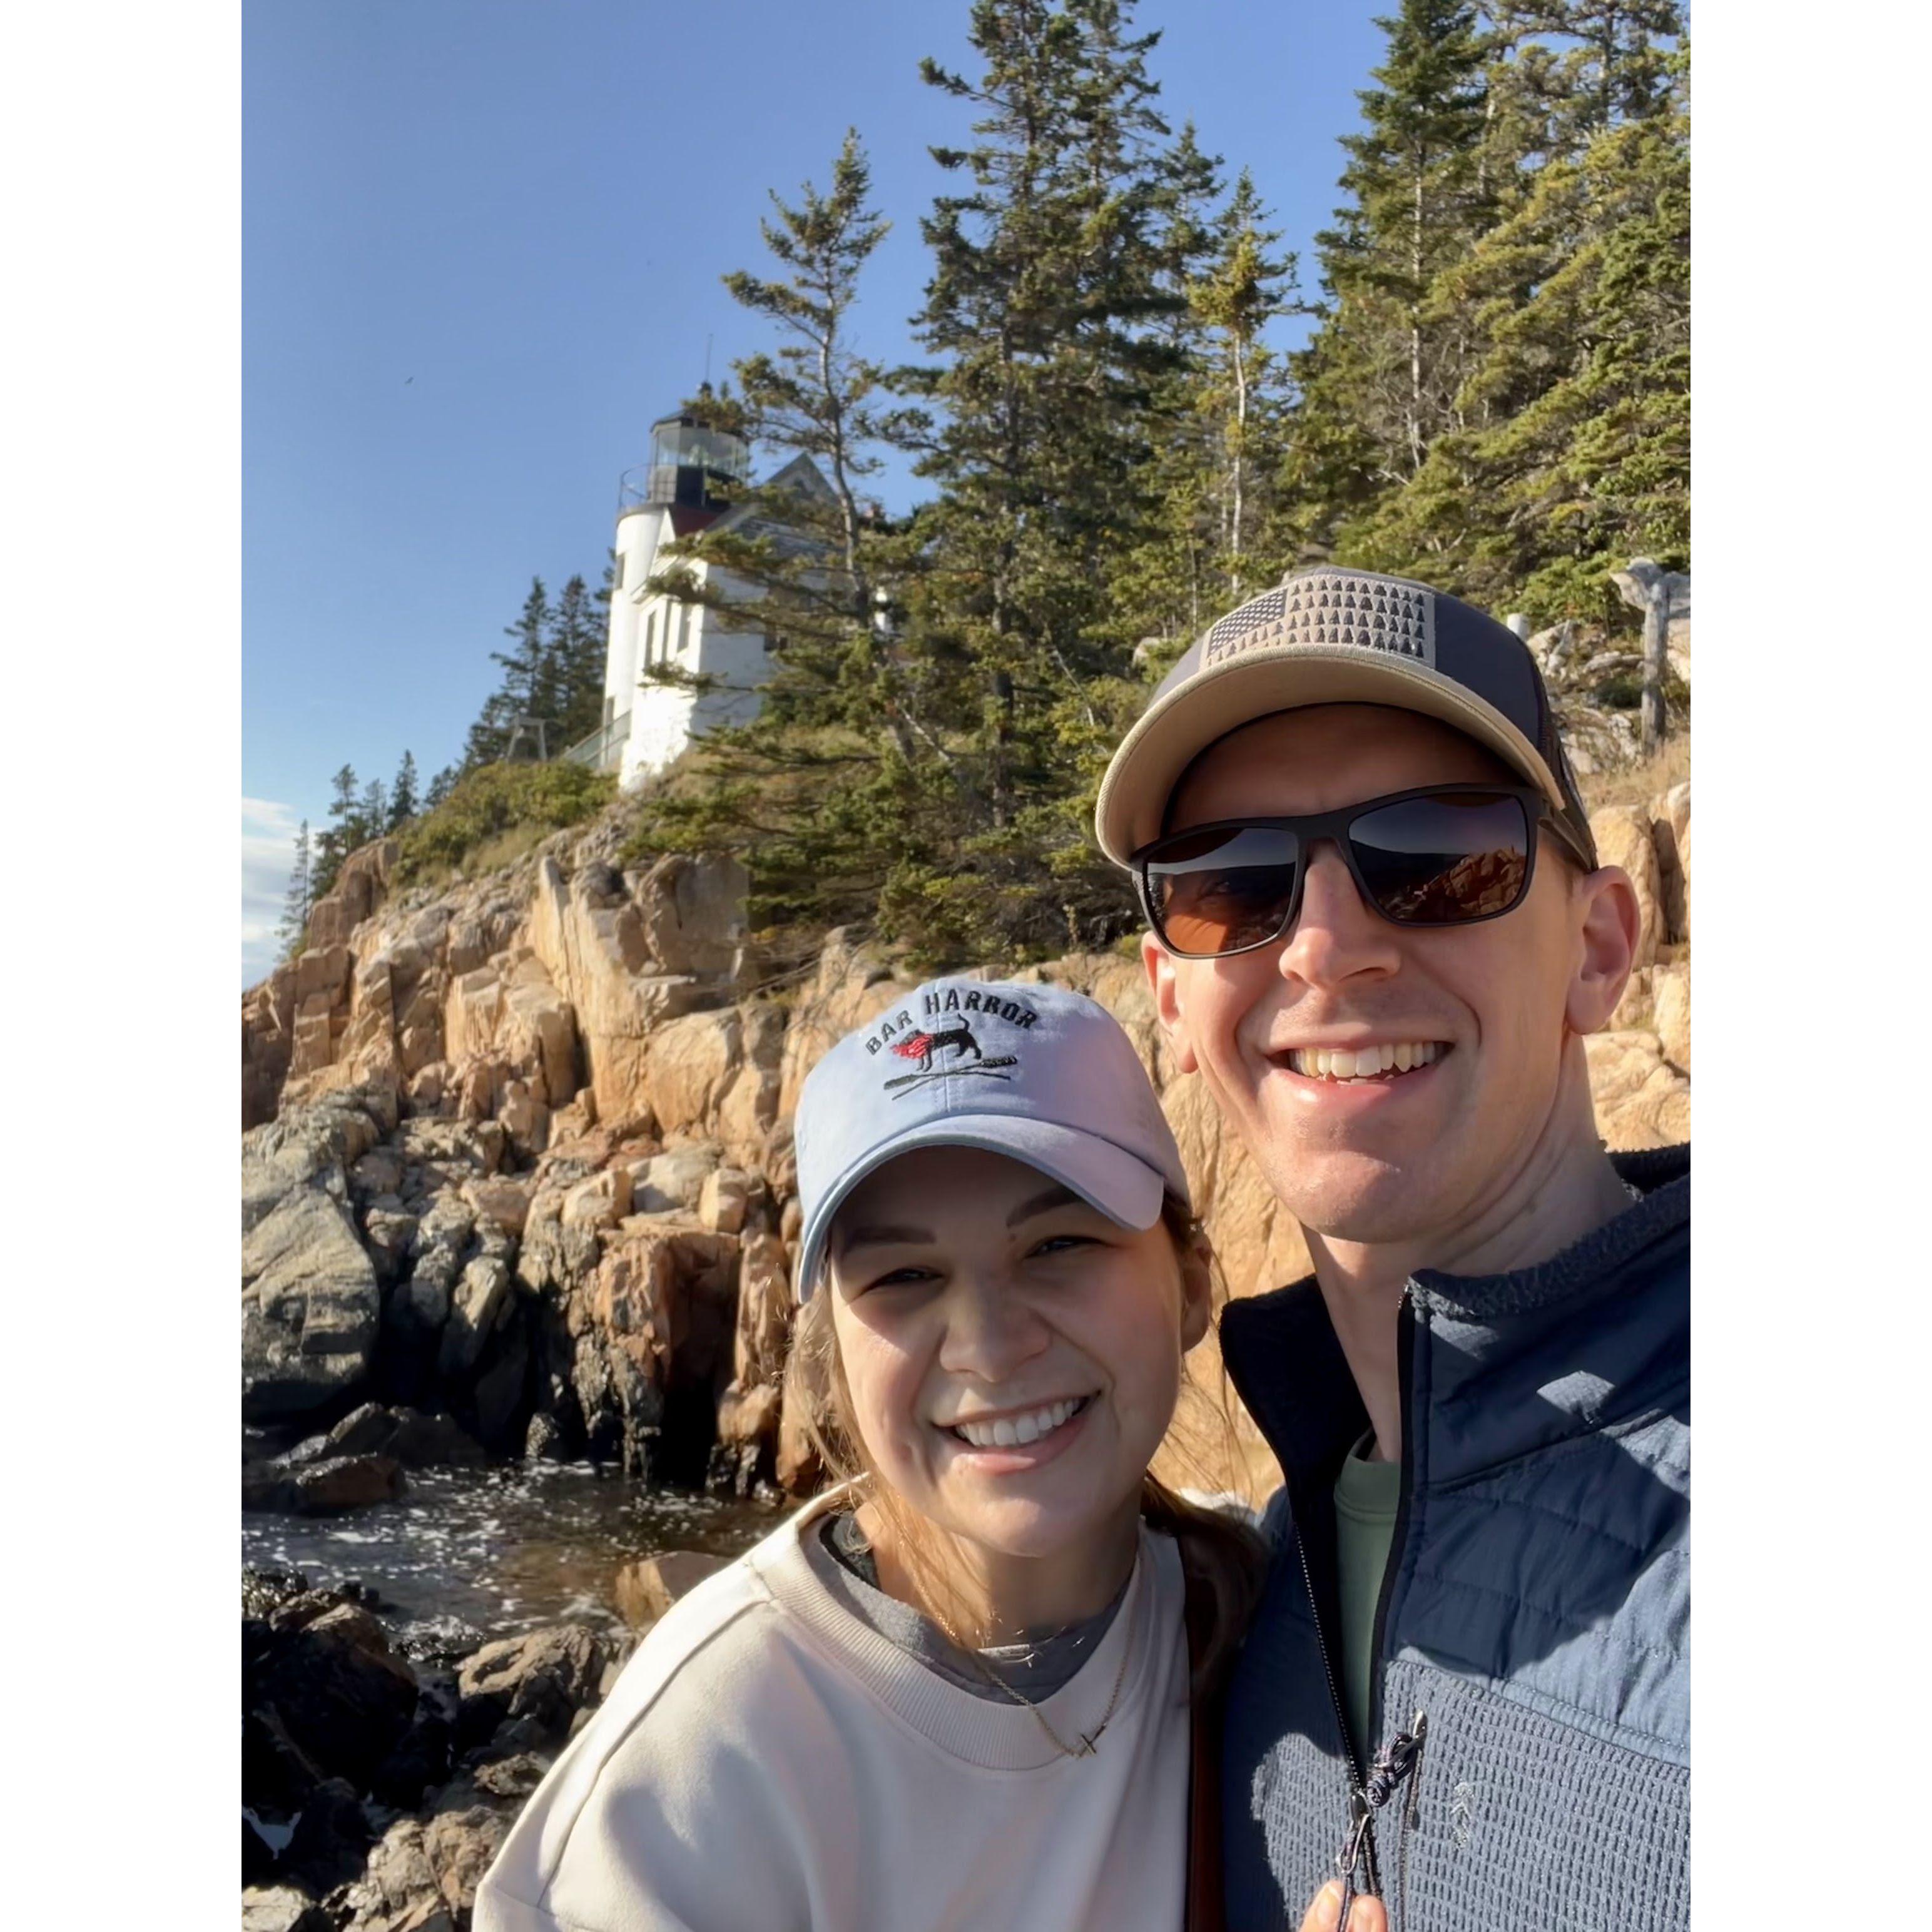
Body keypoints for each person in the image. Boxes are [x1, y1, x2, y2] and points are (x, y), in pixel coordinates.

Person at [474, 978, 1370, 1932]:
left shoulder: (1257, 1612)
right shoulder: (704, 1769)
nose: (986, 1343)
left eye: (1058, 1245)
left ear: (1191, 1285)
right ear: (833, 1356)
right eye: (904, 1276)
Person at [1095, 565, 1689, 1929]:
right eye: (1227, 882)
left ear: (1597, 947)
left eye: (1434, 854)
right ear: (1173, 1003)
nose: (1320, 944)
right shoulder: (1242, 1594)